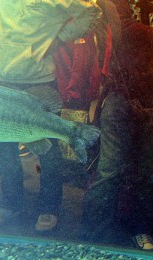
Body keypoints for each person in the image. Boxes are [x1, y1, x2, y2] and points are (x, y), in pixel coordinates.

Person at [0, 0, 101, 231]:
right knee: (6, 149)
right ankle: (11, 204)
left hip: (40, 78)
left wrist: (61, 38)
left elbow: (90, 11)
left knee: (48, 149)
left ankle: (49, 208)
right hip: (3, 78)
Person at [79, 0, 153, 250]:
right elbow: (123, 26)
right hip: (120, 94)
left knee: (145, 169)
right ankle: (91, 234)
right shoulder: (112, 4)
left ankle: (138, 229)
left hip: (146, 96)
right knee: (110, 169)